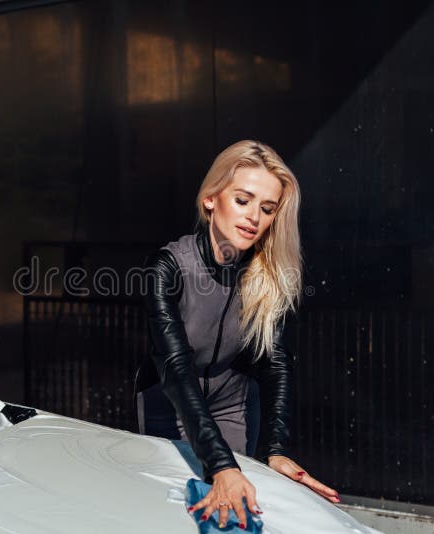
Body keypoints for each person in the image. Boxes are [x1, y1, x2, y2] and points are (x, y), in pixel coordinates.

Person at [135, 140, 338, 529]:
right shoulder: (167, 266)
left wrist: (276, 450)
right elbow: (175, 367)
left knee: (234, 516)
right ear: (211, 199)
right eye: (243, 200)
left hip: (233, 406)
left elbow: (275, 363)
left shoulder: (268, 272)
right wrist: (220, 463)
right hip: (169, 402)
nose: (254, 218)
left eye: (267, 208)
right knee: (176, 516)